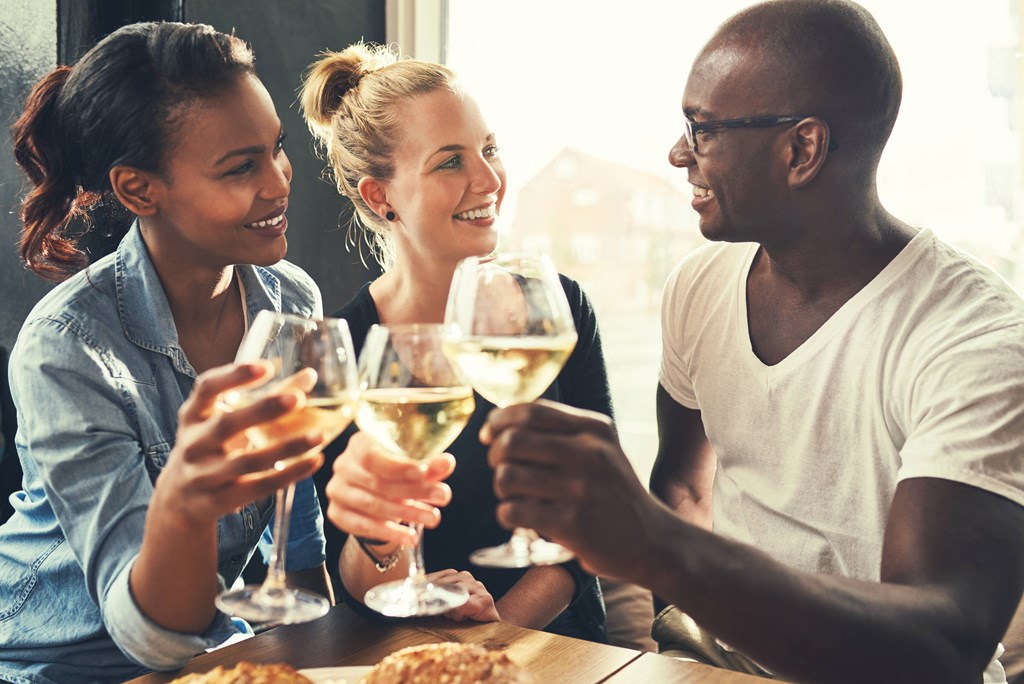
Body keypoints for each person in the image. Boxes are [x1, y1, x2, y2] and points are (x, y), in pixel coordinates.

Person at [478, 1, 1024, 682]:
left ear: (802, 150)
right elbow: (684, 485)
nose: (678, 153)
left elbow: (942, 645)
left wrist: (655, 545)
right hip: (709, 663)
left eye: (702, 129)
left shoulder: (974, 337)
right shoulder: (699, 285)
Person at [0, 22, 335, 683]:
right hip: (55, 664)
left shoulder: (291, 298)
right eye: (241, 167)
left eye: (277, 148)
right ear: (138, 190)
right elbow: (145, 640)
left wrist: (326, 640)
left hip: (211, 652)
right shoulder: (66, 346)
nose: (278, 183)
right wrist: (187, 502)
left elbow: (293, 495)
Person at [300, 43, 612, 642]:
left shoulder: (556, 309)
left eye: (489, 149)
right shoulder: (345, 347)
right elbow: (353, 570)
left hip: (561, 648)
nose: (489, 180)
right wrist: (382, 542)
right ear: (380, 196)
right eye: (450, 162)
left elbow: (596, 519)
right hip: (414, 651)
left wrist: (498, 628)